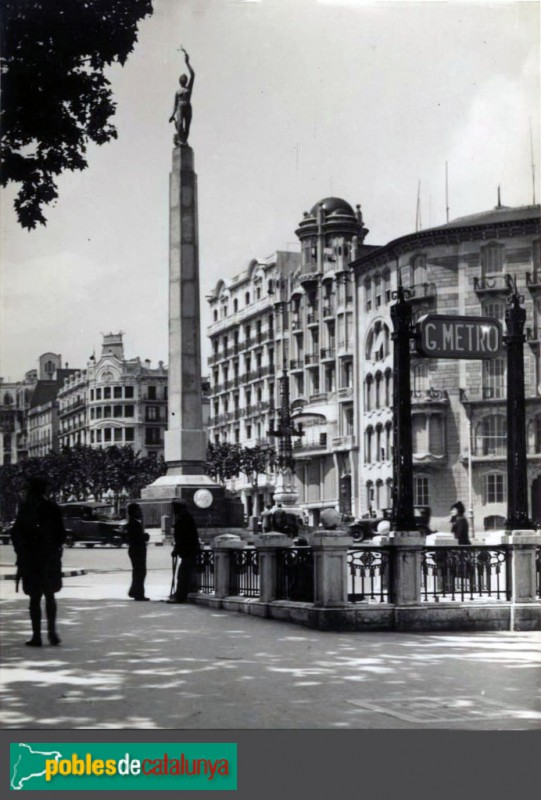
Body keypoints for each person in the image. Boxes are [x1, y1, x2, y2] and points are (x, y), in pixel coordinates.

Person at [10, 476, 65, 647]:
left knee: (34, 598)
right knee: (50, 596)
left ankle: (36, 636)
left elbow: (16, 533)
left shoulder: (26, 508)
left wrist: (21, 550)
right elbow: (61, 534)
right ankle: (52, 633)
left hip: (31, 559)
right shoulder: (52, 507)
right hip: (49, 558)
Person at [168, 503, 201, 603]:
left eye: (174, 509)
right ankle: (179, 594)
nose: (173, 511)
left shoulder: (184, 519)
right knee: (183, 574)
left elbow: (183, 538)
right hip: (188, 551)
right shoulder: (185, 518)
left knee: (183, 575)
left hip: (188, 551)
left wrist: (176, 549)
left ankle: (180, 596)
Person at [169, 47, 195, 145]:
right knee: (180, 124)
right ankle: (181, 140)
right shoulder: (177, 91)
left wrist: (187, 63)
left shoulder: (189, 88)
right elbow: (175, 105)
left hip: (188, 106)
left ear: (186, 80)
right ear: (179, 81)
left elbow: (193, 74)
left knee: (187, 126)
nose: (183, 78)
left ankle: (184, 141)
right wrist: (172, 115)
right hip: (180, 107)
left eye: (184, 77)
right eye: (181, 77)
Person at [126, 502, 150, 601]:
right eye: (138, 510)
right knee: (140, 571)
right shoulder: (134, 523)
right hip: (137, 550)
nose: (140, 512)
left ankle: (134, 591)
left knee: (138, 571)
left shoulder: (135, 522)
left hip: (136, 550)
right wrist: (145, 536)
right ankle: (138, 593)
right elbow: (136, 538)